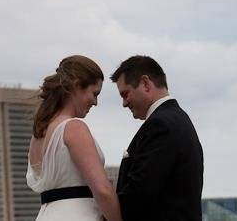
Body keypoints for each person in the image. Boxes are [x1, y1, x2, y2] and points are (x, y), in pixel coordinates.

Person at [26, 55, 122, 221]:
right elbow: (103, 191)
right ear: (77, 86)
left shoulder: (38, 136)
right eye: (94, 93)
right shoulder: (74, 128)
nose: (96, 102)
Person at [110, 55, 204, 221]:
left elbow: (139, 193)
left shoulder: (160, 125)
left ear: (146, 83)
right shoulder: (178, 119)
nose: (124, 103)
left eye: (125, 94)